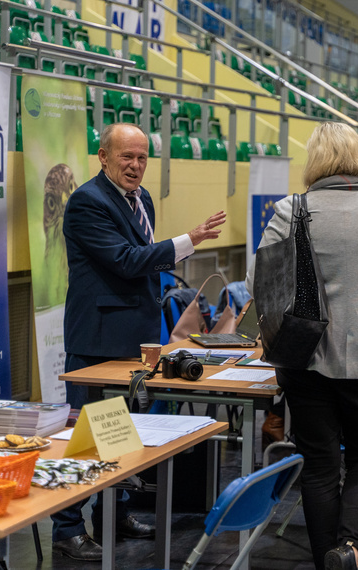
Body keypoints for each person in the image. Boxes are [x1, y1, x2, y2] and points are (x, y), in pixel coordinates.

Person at [247, 122, 358, 570]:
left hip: (306, 358)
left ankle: (330, 561)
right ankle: (352, 549)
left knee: (320, 465)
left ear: (316, 161)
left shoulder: (291, 208)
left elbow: (257, 283)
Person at [56, 123, 226, 560]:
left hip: (139, 339)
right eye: (126, 157)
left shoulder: (142, 199)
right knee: (86, 437)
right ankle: (67, 528)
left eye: (142, 158)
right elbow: (126, 261)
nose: (135, 166)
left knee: (125, 432)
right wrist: (190, 240)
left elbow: (146, 265)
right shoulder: (86, 203)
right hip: (98, 339)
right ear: (103, 157)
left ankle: (115, 513)